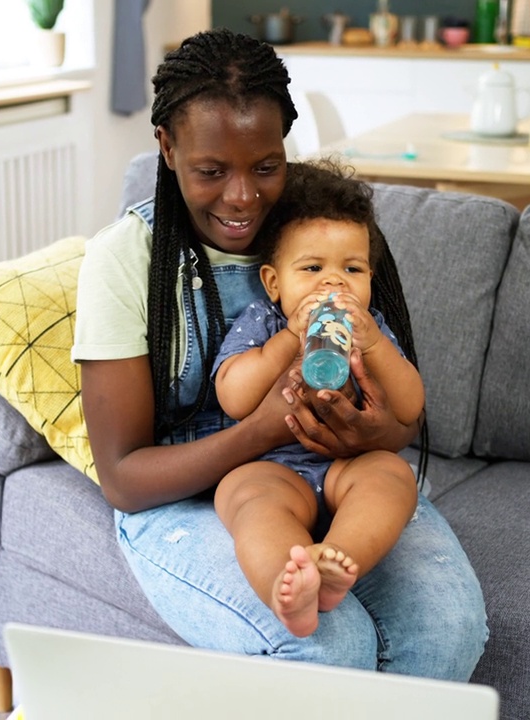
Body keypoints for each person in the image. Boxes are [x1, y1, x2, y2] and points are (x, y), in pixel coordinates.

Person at [72, 27, 487, 681]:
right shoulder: (127, 260)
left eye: (265, 166)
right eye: (212, 171)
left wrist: (376, 429)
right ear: (167, 146)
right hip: (195, 493)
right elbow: (124, 479)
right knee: (326, 644)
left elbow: (403, 415)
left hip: (340, 476)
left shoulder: (318, 235)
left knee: (447, 632)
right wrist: (264, 429)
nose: (243, 197)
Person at [211, 160, 424, 639]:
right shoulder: (263, 322)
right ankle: (286, 590)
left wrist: (374, 345)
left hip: (347, 466)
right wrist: (288, 339)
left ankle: (336, 564)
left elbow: (410, 406)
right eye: (312, 269)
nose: (334, 284)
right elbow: (233, 396)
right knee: (246, 497)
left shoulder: (373, 329)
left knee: (392, 476)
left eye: (352, 268)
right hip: (273, 465)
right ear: (273, 282)